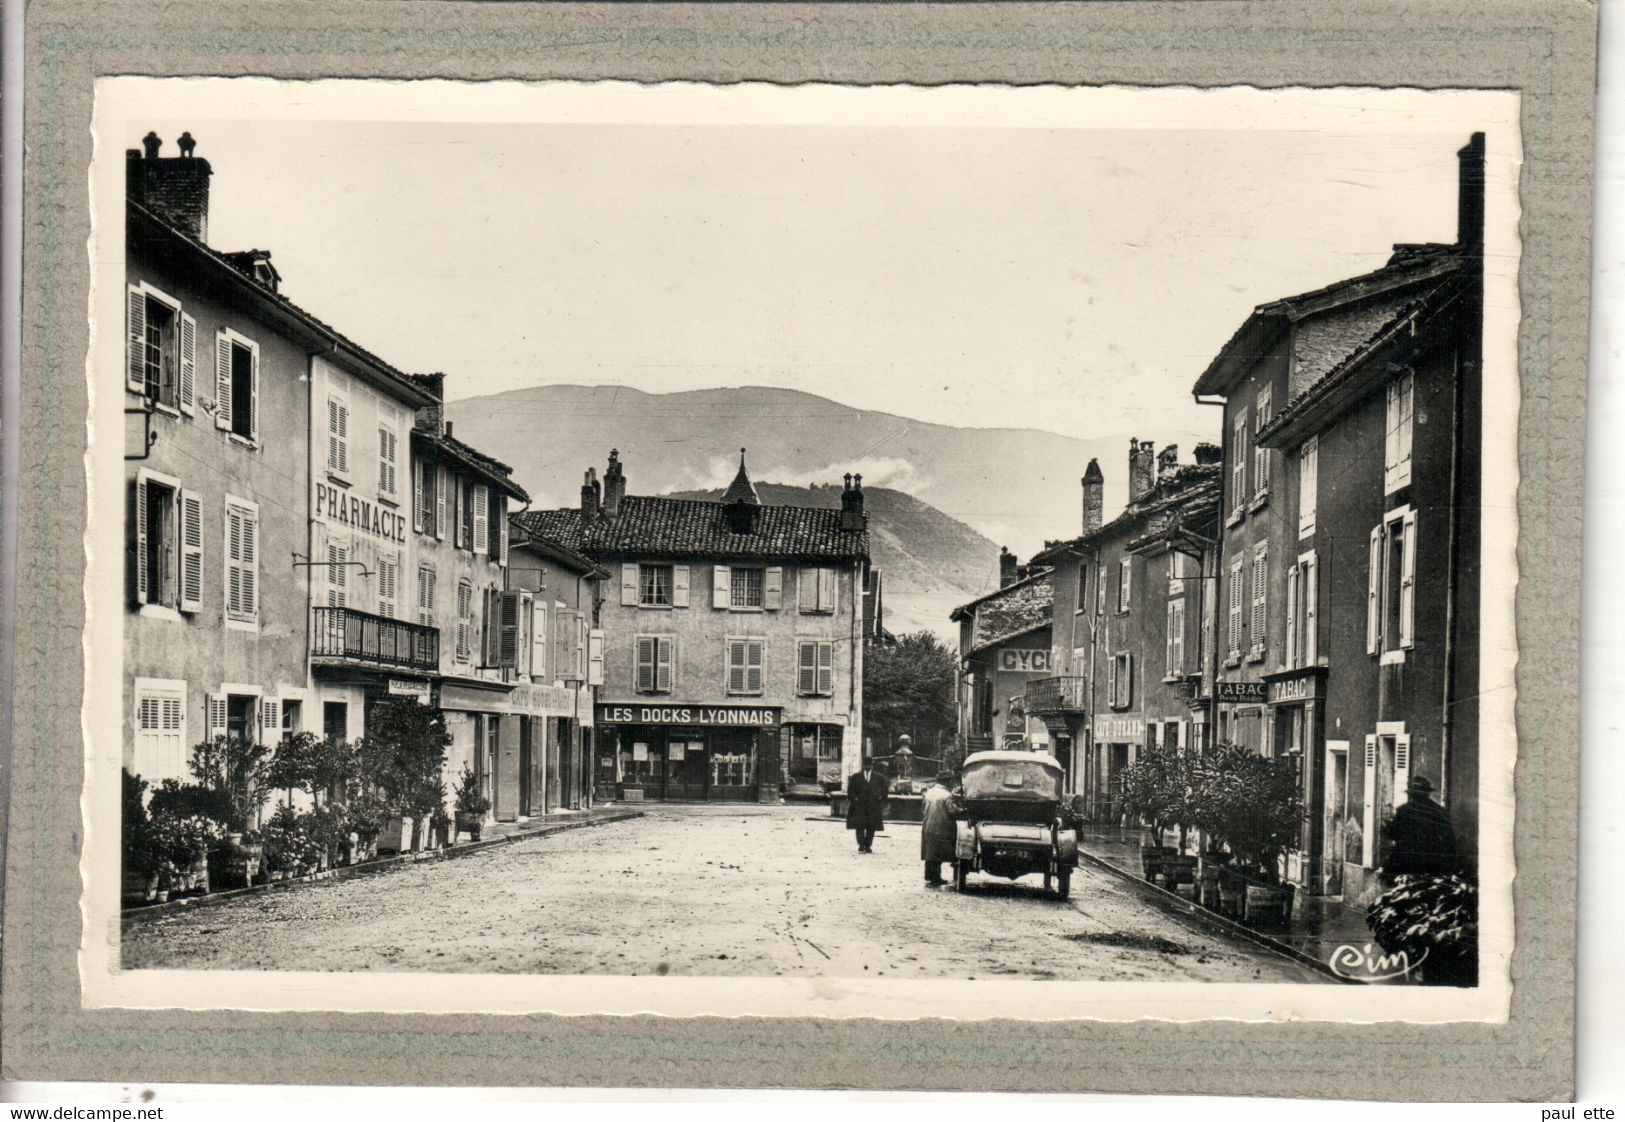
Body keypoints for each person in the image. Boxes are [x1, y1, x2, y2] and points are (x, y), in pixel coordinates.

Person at [1381, 774, 1460, 881]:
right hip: (1431, 860)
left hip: (1405, 859)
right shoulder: (1438, 811)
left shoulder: (1403, 811)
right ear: (1427, 793)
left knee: (1399, 889)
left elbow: (1394, 834)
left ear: (1411, 795)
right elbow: (1449, 839)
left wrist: (1385, 827)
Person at [919, 771, 960, 885]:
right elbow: (952, 810)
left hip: (928, 826)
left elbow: (923, 810)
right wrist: (960, 810)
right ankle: (936, 877)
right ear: (947, 781)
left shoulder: (928, 793)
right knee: (938, 853)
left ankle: (928, 875)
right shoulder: (947, 795)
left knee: (929, 852)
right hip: (941, 827)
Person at [845, 759, 889, 853]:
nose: (867, 767)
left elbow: (885, 790)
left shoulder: (879, 777)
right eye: (865, 765)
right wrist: (855, 799)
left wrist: (881, 799)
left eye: (869, 765)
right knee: (859, 826)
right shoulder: (856, 777)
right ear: (863, 766)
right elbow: (850, 791)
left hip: (873, 807)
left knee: (871, 827)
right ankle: (861, 845)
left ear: (872, 766)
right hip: (859, 806)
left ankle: (868, 845)